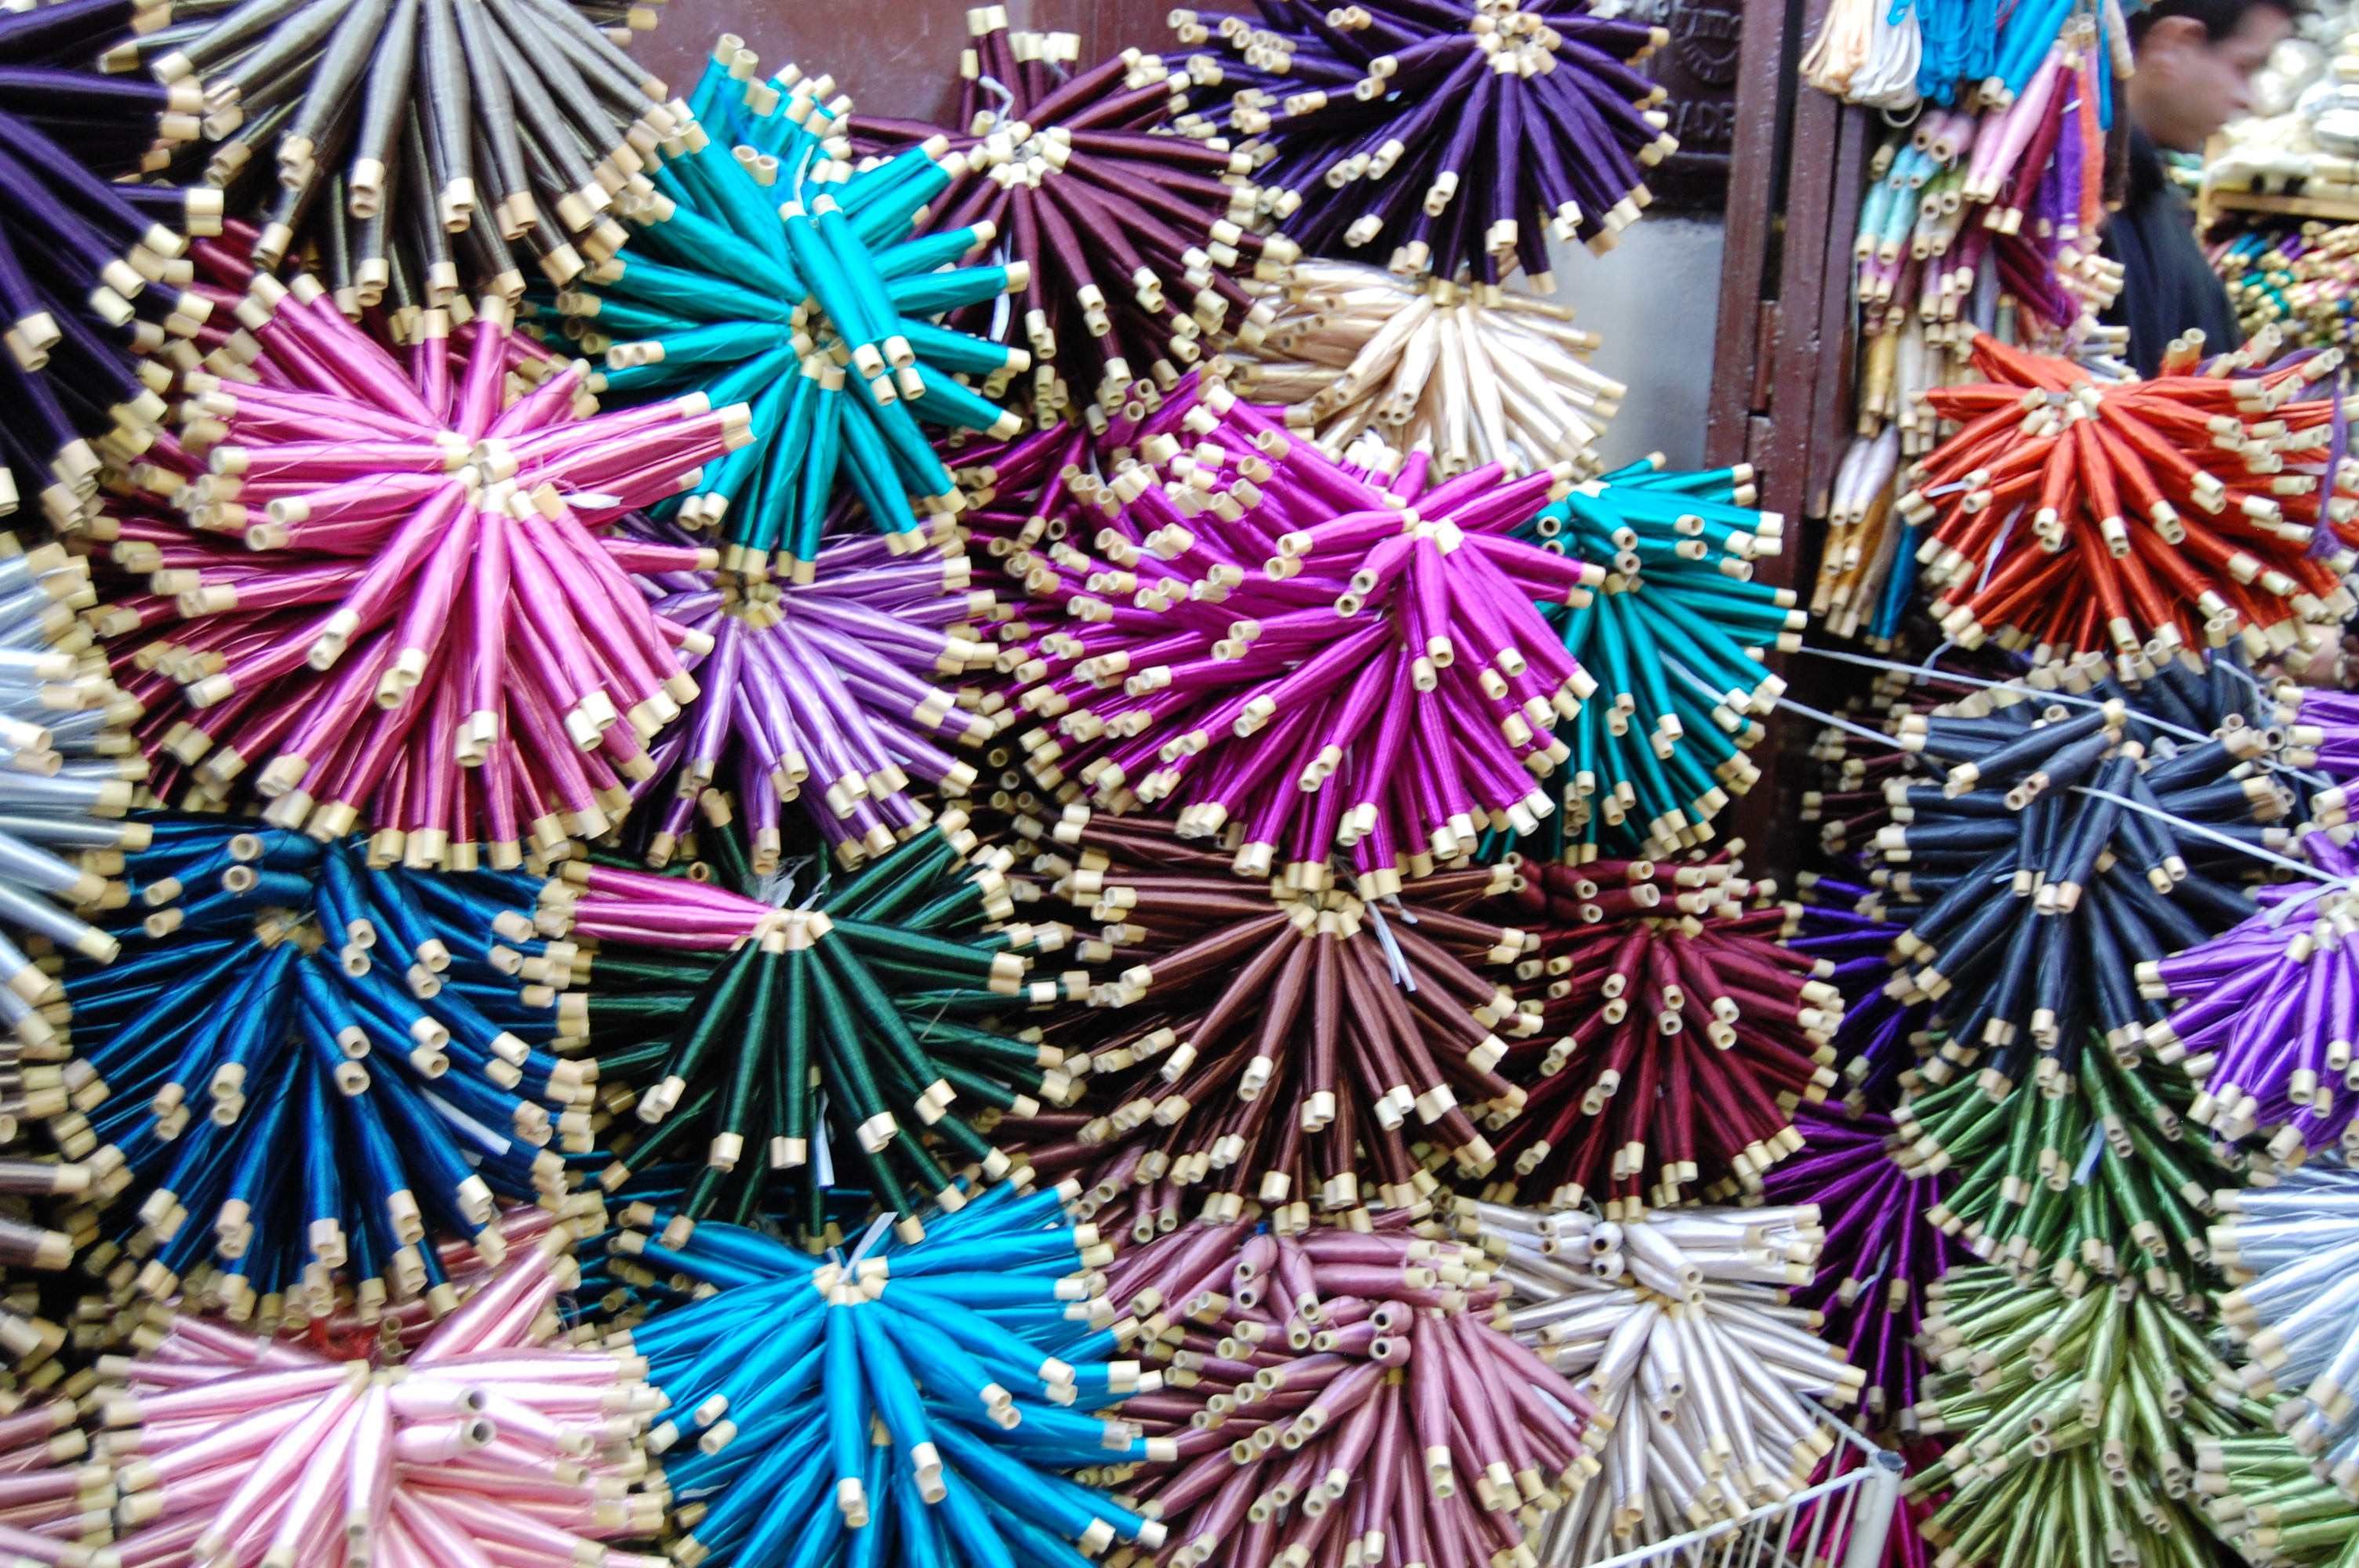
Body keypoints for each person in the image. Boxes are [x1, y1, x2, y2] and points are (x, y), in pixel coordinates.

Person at [2105, 0, 2293, 375]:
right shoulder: (2091, 214)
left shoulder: (2148, 197)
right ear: (2173, 44)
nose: (2247, 98)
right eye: (2243, 67)